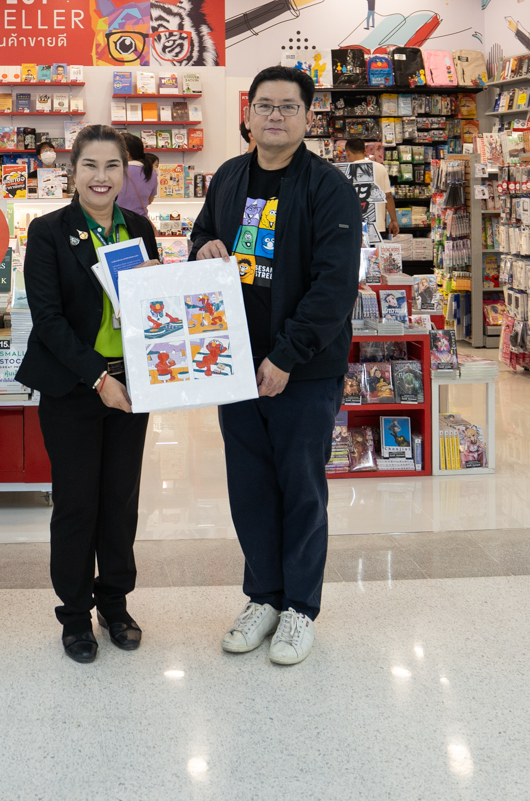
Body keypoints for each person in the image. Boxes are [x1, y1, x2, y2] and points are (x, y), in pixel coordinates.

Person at [190, 65, 359, 667]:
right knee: (250, 488)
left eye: (289, 106)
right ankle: (262, 597)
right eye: (265, 105)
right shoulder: (229, 177)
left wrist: (285, 357)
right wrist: (203, 247)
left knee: (301, 489)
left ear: (309, 117)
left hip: (302, 371)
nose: (275, 116)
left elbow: (334, 287)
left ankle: (299, 609)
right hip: (233, 363)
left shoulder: (328, 187)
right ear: (248, 114)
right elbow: (202, 237)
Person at [19, 124, 161, 663]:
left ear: (126, 172)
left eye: (112, 166)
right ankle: (76, 614)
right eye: (90, 166)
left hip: (133, 384)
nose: (101, 177)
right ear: (72, 171)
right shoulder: (49, 231)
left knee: (120, 502)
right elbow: (49, 320)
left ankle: (115, 604)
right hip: (76, 386)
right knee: (77, 503)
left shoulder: (139, 228)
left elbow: (150, 310)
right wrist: (99, 379)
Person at [117, 133, 159, 217]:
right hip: (141, 220)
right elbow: (149, 200)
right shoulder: (152, 173)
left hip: (119, 221)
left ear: (127, 154)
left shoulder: (116, 171)